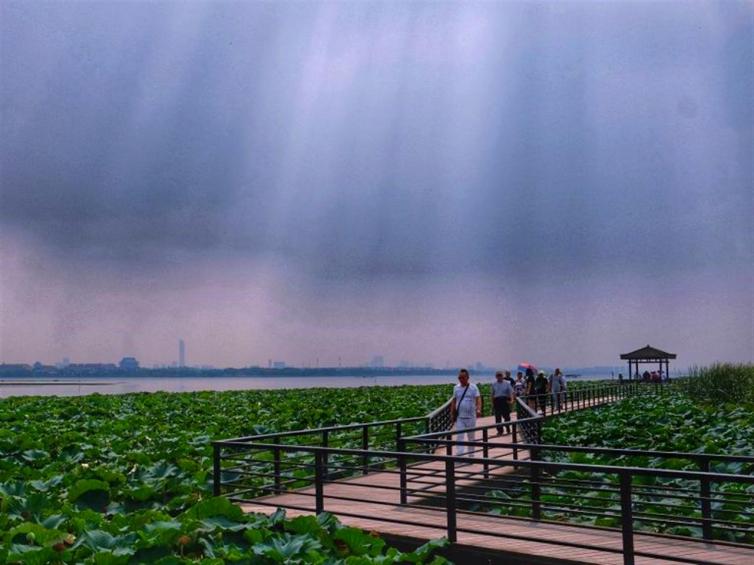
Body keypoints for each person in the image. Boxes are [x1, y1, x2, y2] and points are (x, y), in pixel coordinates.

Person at [451, 368, 481, 457]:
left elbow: (478, 399)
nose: (461, 379)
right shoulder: (456, 388)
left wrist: (478, 409)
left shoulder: (473, 387)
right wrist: (452, 414)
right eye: (459, 378)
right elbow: (454, 400)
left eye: (462, 377)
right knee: (459, 436)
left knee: (471, 437)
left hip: (471, 416)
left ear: (467, 377)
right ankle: (460, 454)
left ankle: (471, 455)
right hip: (460, 417)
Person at [491, 371, 514, 435]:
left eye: (500, 375)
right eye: (498, 375)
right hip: (497, 401)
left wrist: (512, 400)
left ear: (503, 376)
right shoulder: (494, 384)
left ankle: (508, 428)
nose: (499, 377)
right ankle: (500, 431)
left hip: (504, 400)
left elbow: (511, 392)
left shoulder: (507, 383)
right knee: (498, 417)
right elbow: (492, 394)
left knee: (506, 416)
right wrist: (492, 404)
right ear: (496, 377)